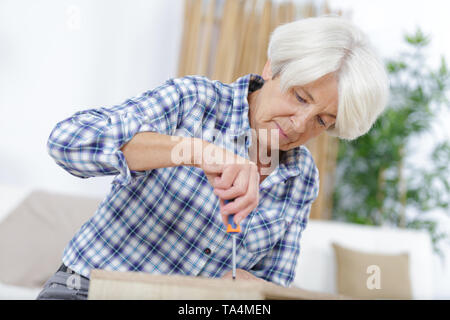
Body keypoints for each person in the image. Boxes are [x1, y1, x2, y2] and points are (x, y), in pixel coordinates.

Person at [37, 15, 388, 300]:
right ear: (272, 68)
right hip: (89, 292)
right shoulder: (194, 101)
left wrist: (247, 287)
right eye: (299, 97)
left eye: (322, 121)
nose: (299, 125)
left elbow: (273, 282)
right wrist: (195, 151)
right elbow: (67, 141)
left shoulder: (302, 178)